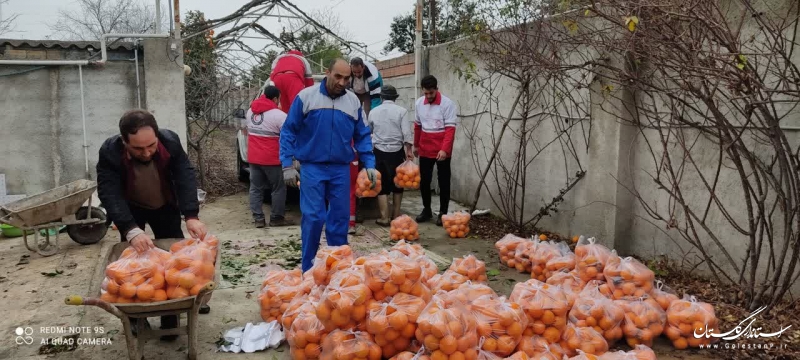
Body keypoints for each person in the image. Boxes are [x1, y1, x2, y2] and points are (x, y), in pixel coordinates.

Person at [96, 109, 209, 341]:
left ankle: (173, 314)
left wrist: (191, 215)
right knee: (131, 265)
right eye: (138, 148)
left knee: (175, 261)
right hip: (131, 209)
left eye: (151, 146)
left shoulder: (170, 142)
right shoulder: (110, 151)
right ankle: (137, 317)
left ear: (157, 136)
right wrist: (129, 228)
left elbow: (184, 175)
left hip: (164, 205)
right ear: (124, 141)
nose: (146, 152)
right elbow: (109, 191)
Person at [280, 58, 378, 272]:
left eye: (347, 78)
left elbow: (362, 135)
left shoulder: (353, 102)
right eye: (338, 77)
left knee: (340, 220)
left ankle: (337, 270)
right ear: (327, 73)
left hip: (340, 169)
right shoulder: (306, 97)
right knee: (314, 218)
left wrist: (369, 164)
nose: (342, 82)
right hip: (312, 167)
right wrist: (287, 165)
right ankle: (308, 269)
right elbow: (288, 131)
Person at [414, 75, 458, 226]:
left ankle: (443, 213)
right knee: (424, 181)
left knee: (443, 180)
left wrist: (445, 150)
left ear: (436, 90)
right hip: (425, 146)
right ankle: (426, 210)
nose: (428, 96)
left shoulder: (447, 104)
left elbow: (450, 129)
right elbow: (418, 126)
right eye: (425, 93)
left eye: (431, 93)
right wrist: (416, 145)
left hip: (441, 147)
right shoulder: (419, 103)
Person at [367, 85, 414, 226]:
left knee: (382, 185)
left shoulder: (373, 112)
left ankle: (384, 218)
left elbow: (369, 131)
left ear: (381, 97)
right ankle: (396, 216)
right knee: (398, 184)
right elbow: (406, 133)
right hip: (397, 152)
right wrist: (409, 151)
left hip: (379, 152)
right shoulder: (402, 111)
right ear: (395, 98)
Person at [247, 86, 289, 228]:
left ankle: (258, 219)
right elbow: (288, 137)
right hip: (272, 159)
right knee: (278, 188)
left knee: (255, 188)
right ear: (275, 98)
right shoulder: (279, 115)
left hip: (254, 158)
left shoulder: (250, 112)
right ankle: (276, 218)